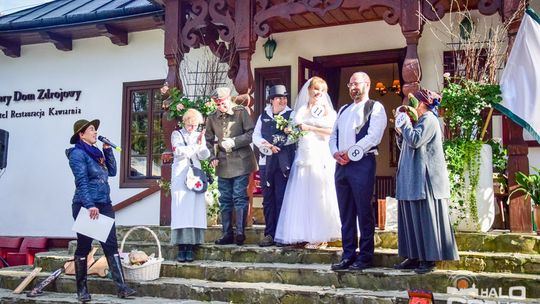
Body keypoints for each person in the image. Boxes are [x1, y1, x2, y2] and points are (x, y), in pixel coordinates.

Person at [66, 119, 136, 302]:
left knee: (111, 244)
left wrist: (107, 150)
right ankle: (82, 290)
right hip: (86, 204)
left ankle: (122, 288)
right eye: (91, 130)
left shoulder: (96, 153)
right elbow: (81, 182)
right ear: (81, 134)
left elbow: (112, 172)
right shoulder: (78, 154)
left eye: (95, 130)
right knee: (84, 246)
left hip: (104, 203)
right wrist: (89, 205)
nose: (95, 132)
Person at [393, 88, 459, 274]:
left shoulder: (429, 119)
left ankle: (428, 258)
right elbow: (405, 144)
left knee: (425, 217)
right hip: (410, 175)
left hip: (424, 177)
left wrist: (405, 124)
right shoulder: (417, 121)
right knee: (410, 218)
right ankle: (413, 255)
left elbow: (415, 140)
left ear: (421, 104)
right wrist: (400, 132)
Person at [274, 76, 341, 248]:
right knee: (302, 193)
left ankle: (321, 235)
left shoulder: (328, 111)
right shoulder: (301, 109)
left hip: (320, 154)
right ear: (309, 90)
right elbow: (295, 131)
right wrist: (291, 131)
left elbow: (330, 132)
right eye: (316, 89)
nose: (318, 93)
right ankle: (303, 233)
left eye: (322, 90)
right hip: (303, 154)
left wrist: (310, 128)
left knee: (319, 193)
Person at [329, 72, 387, 271]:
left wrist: (351, 152)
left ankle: (365, 256)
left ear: (367, 84)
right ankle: (348, 254)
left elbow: (374, 136)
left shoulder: (375, 107)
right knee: (345, 212)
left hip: (362, 163)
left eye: (357, 83)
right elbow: (333, 135)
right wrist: (336, 153)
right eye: (350, 84)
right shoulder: (343, 109)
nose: (353, 87)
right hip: (341, 165)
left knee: (363, 210)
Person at [205, 87, 258, 246]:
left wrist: (234, 142)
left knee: (239, 196)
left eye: (223, 103)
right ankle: (227, 233)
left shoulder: (241, 112)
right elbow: (207, 140)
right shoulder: (212, 118)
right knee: (225, 199)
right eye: (218, 104)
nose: (221, 107)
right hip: (222, 162)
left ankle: (240, 233)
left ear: (229, 99)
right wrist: (212, 157)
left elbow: (251, 133)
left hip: (241, 161)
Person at [253, 85, 296, 247]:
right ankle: (269, 233)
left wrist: (278, 143)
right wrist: (267, 145)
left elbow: (294, 136)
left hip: (284, 162)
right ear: (272, 100)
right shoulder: (263, 116)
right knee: (268, 199)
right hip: (266, 162)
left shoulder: (291, 115)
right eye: (279, 98)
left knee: (281, 197)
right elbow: (256, 136)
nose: (283, 100)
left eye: (284, 97)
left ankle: (282, 235)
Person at [170, 109, 211, 262]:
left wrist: (202, 145)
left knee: (194, 208)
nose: (191, 128)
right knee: (182, 208)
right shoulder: (177, 134)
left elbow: (203, 156)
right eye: (189, 125)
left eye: (194, 125)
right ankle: (181, 246)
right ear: (184, 122)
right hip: (181, 174)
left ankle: (192, 246)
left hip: (195, 174)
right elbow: (179, 152)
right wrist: (195, 146)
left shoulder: (198, 135)